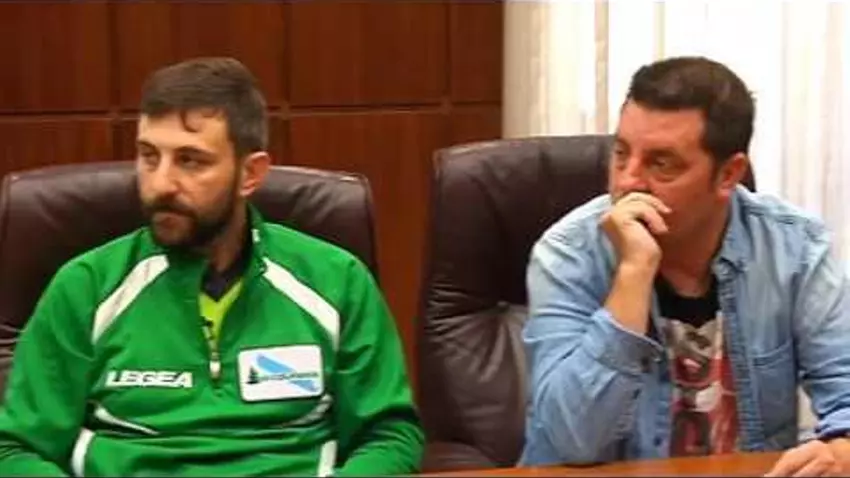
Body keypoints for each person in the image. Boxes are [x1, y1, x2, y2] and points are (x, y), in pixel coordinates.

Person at [0, 57, 423, 476]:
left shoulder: (336, 281)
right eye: (149, 156)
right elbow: (16, 448)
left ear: (250, 173)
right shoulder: (86, 287)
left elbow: (388, 435)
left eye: (190, 161)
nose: (160, 183)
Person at [519, 56, 850, 476]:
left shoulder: (795, 249)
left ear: (728, 174)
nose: (627, 182)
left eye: (661, 163)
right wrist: (633, 273)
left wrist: (841, 449)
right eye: (621, 154)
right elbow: (573, 440)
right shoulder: (569, 253)